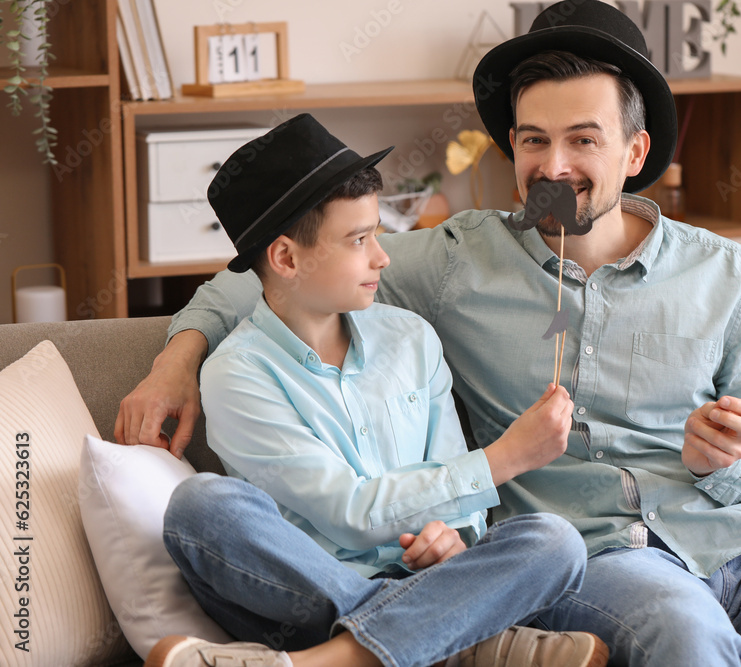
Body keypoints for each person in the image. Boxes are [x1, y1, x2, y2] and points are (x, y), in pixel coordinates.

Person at [122, 2, 741, 665]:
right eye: (533, 140)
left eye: (584, 139)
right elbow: (270, 274)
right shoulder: (460, 260)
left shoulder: (726, 276)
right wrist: (175, 358)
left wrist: (730, 462)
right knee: (681, 629)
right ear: (511, 146)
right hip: (603, 560)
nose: (554, 166)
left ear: (634, 149)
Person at [143, 114, 610, 667]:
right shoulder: (237, 374)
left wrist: (452, 536)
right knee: (204, 507)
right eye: (359, 240)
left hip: (429, 581)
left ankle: (341, 660)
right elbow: (350, 511)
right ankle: (459, 643)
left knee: (554, 542)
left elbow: (454, 484)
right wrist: (504, 459)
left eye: (378, 234)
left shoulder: (411, 337)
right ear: (287, 258)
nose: (382, 258)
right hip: (308, 597)